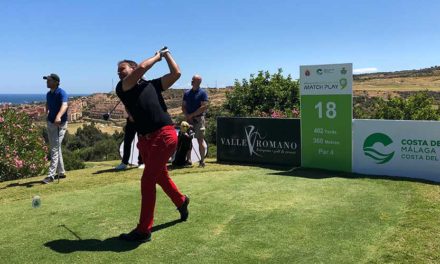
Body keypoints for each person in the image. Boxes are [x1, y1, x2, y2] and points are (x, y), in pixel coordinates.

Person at [115, 48, 189, 242]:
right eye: (118, 72)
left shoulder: (153, 85)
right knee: (160, 175)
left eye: (122, 69)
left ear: (130, 68)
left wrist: (167, 55)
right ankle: (181, 201)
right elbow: (141, 68)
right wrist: (158, 56)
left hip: (164, 135)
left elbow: (176, 74)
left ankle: (143, 230)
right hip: (145, 140)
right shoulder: (122, 87)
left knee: (148, 180)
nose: (119, 73)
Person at [41, 73, 68, 184]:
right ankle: (61, 172)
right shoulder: (48, 94)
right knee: (56, 147)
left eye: (49, 80)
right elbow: (48, 103)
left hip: (60, 125)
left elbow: (65, 105)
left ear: (56, 82)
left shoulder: (62, 92)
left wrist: (58, 116)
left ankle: (51, 176)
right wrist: (46, 111)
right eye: (47, 80)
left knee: (54, 149)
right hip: (51, 123)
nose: (47, 82)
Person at [182, 75, 209, 167]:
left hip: (198, 120)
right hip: (188, 120)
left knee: (200, 140)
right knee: (187, 140)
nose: (192, 81)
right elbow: (183, 106)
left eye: (194, 80)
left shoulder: (203, 93)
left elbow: (203, 107)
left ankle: (202, 161)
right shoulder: (186, 93)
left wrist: (192, 115)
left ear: (199, 82)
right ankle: (188, 160)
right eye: (192, 79)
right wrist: (187, 116)